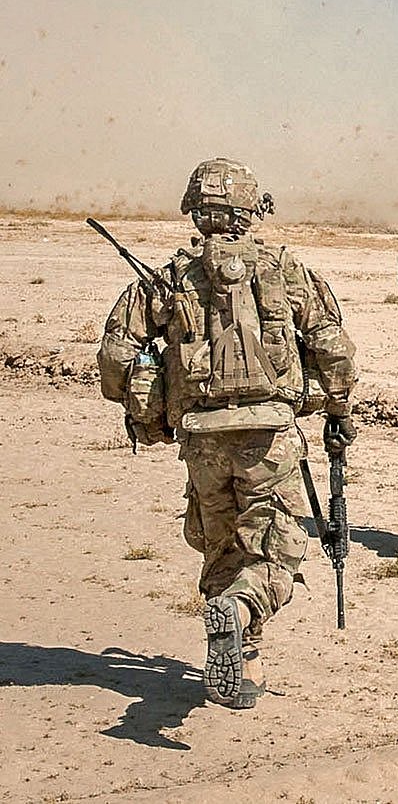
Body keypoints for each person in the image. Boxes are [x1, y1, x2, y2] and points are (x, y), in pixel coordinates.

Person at [97, 158, 358, 709]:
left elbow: (116, 355)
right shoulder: (287, 272)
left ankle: (244, 664)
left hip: (201, 438)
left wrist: (144, 410)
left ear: (198, 210)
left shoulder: (168, 278)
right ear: (250, 208)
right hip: (269, 437)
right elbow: (332, 348)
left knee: (223, 544)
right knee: (276, 553)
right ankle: (239, 612)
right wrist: (337, 408)